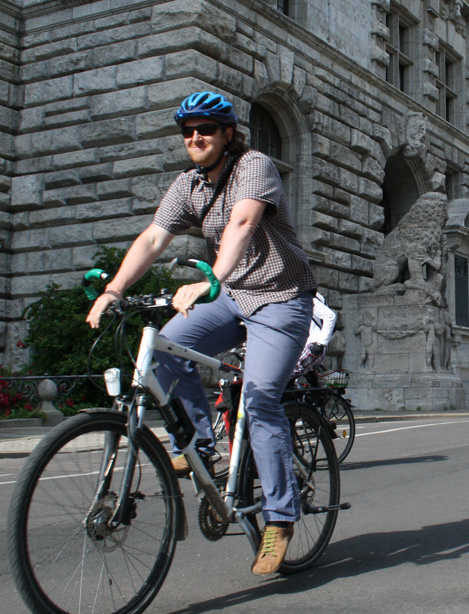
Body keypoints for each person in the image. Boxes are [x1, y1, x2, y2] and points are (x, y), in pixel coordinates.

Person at [86, 92, 317, 576]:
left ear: (227, 135)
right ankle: (198, 448)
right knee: (163, 353)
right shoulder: (188, 184)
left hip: (280, 298)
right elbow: (153, 237)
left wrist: (211, 275)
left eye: (206, 130)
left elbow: (243, 221)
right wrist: (113, 289)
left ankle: (279, 517)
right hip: (231, 295)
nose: (196, 138)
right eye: (188, 131)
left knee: (259, 400)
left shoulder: (254, 166)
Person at [292, 293, 337, 379]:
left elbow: (330, 316)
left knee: (287, 372)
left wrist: (320, 344)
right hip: (304, 345)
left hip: (313, 346)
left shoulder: (306, 298)